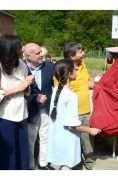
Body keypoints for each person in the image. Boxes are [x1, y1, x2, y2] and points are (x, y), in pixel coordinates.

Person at [47, 59, 101, 170]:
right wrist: (91, 130)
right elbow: (72, 125)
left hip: (58, 138)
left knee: (64, 166)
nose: (76, 71)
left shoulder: (56, 91)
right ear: (70, 74)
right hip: (68, 140)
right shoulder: (71, 96)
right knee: (67, 166)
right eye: (75, 69)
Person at [54, 42, 96, 170]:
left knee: (87, 141)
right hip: (72, 113)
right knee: (71, 141)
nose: (83, 53)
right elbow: (59, 91)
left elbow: (88, 83)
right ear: (71, 56)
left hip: (85, 110)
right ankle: (71, 164)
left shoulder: (82, 65)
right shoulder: (63, 69)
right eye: (80, 52)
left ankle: (89, 164)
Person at [0, 34, 35, 169]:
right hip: (4, 117)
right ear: (10, 49)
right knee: (8, 154)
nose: (23, 49)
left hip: (21, 114)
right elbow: (18, 88)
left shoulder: (22, 65)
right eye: (20, 46)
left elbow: (25, 90)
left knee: (21, 151)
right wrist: (18, 87)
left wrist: (28, 85)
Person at [24, 43, 54, 170]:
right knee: (31, 138)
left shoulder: (50, 67)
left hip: (46, 108)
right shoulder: (22, 68)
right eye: (37, 53)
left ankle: (43, 163)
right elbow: (19, 91)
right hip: (30, 109)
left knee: (45, 135)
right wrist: (34, 98)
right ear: (28, 56)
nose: (41, 55)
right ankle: (30, 164)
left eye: (41, 52)